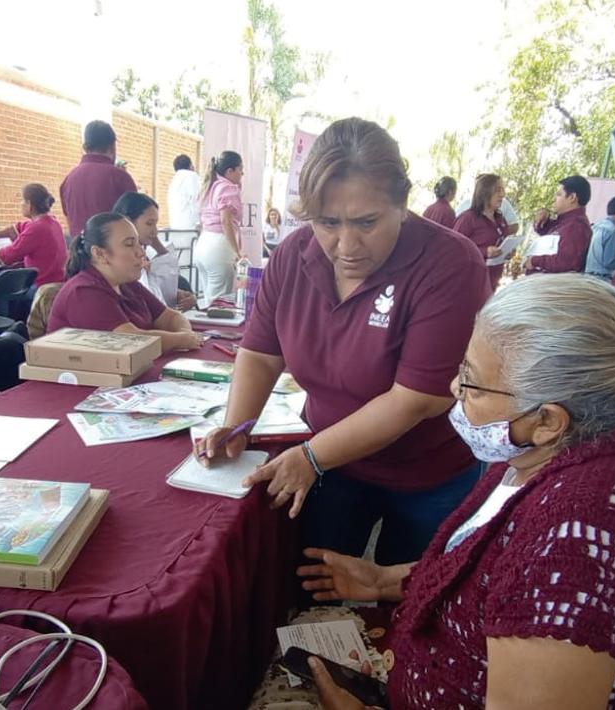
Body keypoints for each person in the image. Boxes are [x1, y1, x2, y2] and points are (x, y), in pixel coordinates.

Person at [268, 275, 615, 710]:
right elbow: (491, 575)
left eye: (471, 380)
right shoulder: (552, 451)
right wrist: (384, 581)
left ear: (548, 420)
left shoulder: (583, 542)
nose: (453, 389)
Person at [196, 118, 490, 566]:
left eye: (367, 222)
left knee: (412, 603)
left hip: (428, 473)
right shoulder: (293, 256)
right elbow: (259, 354)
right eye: (327, 222)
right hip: (334, 464)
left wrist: (312, 457)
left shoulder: (450, 263)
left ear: (403, 204)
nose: (346, 244)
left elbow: (415, 400)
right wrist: (238, 426)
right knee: (316, 585)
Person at [46, 212, 202, 353]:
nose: (141, 252)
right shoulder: (84, 291)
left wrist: (185, 332)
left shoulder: (126, 282)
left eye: (138, 243)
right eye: (129, 244)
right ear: (100, 253)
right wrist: (182, 339)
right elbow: (131, 340)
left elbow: (168, 317)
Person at [0, 183, 67, 289]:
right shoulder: (52, 221)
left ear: (29, 204)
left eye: (22, 200)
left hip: (43, 286)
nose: (20, 204)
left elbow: (6, 257)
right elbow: (13, 229)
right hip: (57, 280)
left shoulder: (37, 228)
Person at [113, 191, 196, 311]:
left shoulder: (141, 253)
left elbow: (160, 287)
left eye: (156, 225)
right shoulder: (119, 258)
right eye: (149, 224)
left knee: (182, 283)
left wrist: (179, 295)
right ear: (128, 221)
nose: (155, 231)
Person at [60, 120, 138, 237]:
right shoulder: (119, 176)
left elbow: (69, 219)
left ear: (85, 147)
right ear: (112, 146)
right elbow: (137, 220)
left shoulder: (69, 179)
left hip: (80, 251)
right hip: (113, 251)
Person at [193, 151, 244, 306]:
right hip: (220, 247)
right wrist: (237, 252)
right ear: (230, 171)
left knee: (209, 300)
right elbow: (225, 221)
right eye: (240, 169)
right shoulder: (228, 188)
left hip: (203, 245)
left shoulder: (209, 187)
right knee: (221, 304)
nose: (243, 173)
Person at [452, 173, 510, 292]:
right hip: (470, 283)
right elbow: (453, 250)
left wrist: (507, 251)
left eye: (503, 190)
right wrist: (484, 252)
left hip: (493, 281)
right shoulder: (467, 219)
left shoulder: (500, 219)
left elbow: (502, 241)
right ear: (486, 191)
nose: (503, 195)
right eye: (498, 190)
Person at [525, 174, 592, 274]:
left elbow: (565, 262)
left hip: (551, 286)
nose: (554, 198)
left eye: (559, 194)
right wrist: (542, 219)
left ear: (572, 197)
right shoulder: (565, 222)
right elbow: (548, 235)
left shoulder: (576, 226)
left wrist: (534, 261)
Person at [585, 195, 615, 281]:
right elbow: (609, 262)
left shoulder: (595, 226)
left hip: (587, 276)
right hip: (601, 279)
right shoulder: (613, 232)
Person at [166, 154, 201, 231]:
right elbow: (198, 199)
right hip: (190, 225)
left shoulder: (174, 181)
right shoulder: (191, 175)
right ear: (190, 165)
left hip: (175, 225)